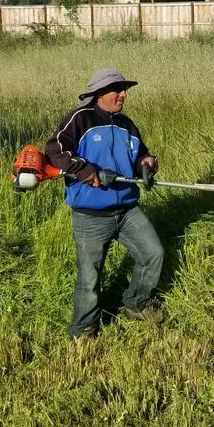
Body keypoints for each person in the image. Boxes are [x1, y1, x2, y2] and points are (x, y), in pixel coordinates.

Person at [45, 67, 163, 340]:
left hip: (127, 208)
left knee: (153, 253)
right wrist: (87, 172)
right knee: (90, 276)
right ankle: (84, 329)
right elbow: (55, 152)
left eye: (124, 90)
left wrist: (146, 164)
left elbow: (141, 155)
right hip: (91, 214)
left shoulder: (127, 124)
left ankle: (136, 304)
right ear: (99, 93)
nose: (123, 95)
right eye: (117, 89)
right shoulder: (79, 119)